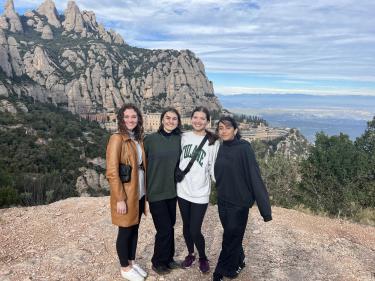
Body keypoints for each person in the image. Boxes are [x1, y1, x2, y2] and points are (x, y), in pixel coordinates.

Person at [212, 116, 272, 281]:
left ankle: (223, 270)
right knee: (233, 235)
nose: (224, 131)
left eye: (227, 128)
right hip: (223, 201)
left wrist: (265, 210)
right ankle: (240, 260)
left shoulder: (244, 148)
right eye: (221, 128)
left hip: (239, 203)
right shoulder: (220, 147)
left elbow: (254, 176)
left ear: (235, 130)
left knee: (230, 237)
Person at [106, 103, 148, 281]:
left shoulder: (138, 138)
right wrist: (120, 199)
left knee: (135, 229)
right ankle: (124, 267)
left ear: (138, 119)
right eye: (127, 117)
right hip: (126, 193)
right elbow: (112, 171)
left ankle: (131, 261)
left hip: (139, 192)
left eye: (134, 116)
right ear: (121, 119)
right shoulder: (117, 138)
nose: (130, 120)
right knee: (125, 231)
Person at [177, 106, 220, 274]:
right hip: (182, 190)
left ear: (207, 121)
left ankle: (202, 256)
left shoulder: (213, 141)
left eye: (202, 118)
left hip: (201, 192)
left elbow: (213, 167)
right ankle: (190, 254)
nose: (198, 121)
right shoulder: (183, 137)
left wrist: (222, 184)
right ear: (191, 118)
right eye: (195, 117)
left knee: (195, 229)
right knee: (186, 227)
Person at [144, 108, 182, 275]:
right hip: (155, 192)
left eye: (174, 119)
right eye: (168, 118)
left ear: (178, 122)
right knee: (164, 228)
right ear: (161, 120)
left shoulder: (179, 139)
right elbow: (140, 163)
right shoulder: (150, 140)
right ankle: (157, 262)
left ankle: (169, 259)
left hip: (172, 192)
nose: (170, 121)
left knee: (170, 226)